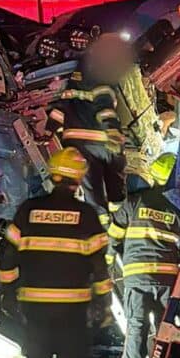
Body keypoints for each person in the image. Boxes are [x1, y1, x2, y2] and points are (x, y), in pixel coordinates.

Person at [0, 148, 112, 358]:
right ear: (77, 180)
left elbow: (7, 260)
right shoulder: (86, 216)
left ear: (53, 174)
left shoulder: (28, 211)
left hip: (34, 313)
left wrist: (8, 294)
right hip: (73, 314)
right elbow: (99, 268)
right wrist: (103, 304)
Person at [107, 153, 180, 358]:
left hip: (137, 278)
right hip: (168, 280)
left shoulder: (135, 201)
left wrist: (109, 263)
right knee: (167, 330)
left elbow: (114, 234)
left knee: (136, 329)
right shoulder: (179, 209)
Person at [47, 36, 130, 220]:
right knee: (115, 180)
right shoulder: (103, 76)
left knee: (92, 188)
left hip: (79, 143)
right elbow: (105, 108)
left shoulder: (75, 78)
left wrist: (48, 130)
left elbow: (62, 107)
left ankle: (102, 220)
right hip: (102, 141)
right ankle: (117, 214)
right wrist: (113, 132)